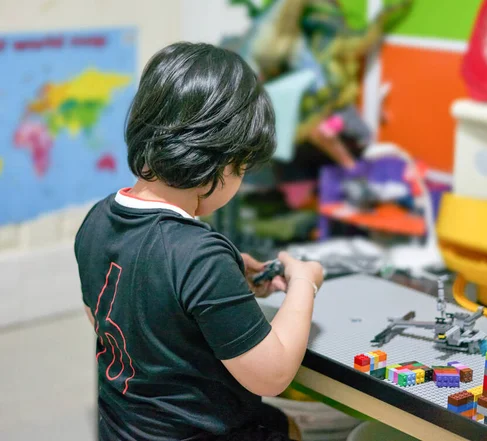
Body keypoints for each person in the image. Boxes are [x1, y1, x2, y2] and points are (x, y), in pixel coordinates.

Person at [74, 42, 324, 441]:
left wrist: (224, 279)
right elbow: (272, 375)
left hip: (122, 430)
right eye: (242, 168)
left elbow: (106, 314)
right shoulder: (199, 256)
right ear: (221, 162)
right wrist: (303, 283)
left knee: (281, 424)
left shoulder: (96, 220)